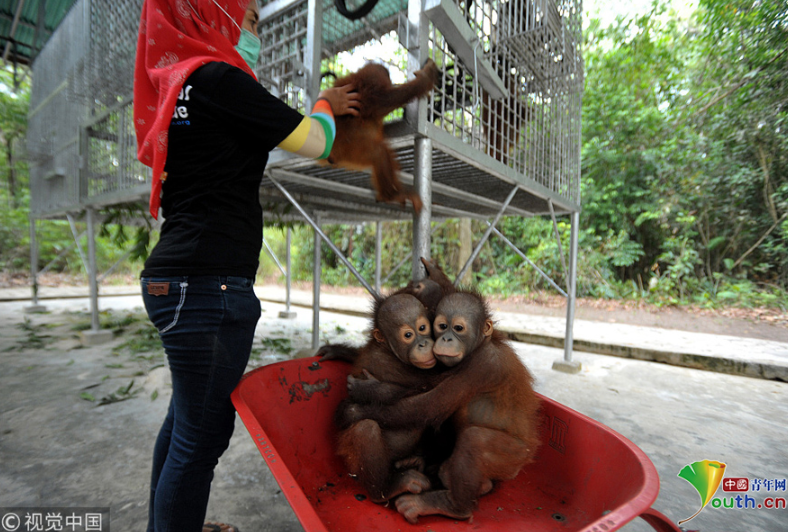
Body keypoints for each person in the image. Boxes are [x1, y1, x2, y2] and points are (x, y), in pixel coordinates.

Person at [132, 0, 360, 531]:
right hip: (206, 286)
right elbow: (316, 141)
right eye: (252, 19)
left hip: (178, 279)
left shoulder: (177, 84)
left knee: (185, 422)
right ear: (217, 12)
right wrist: (326, 102)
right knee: (201, 438)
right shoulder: (218, 79)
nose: (256, 32)